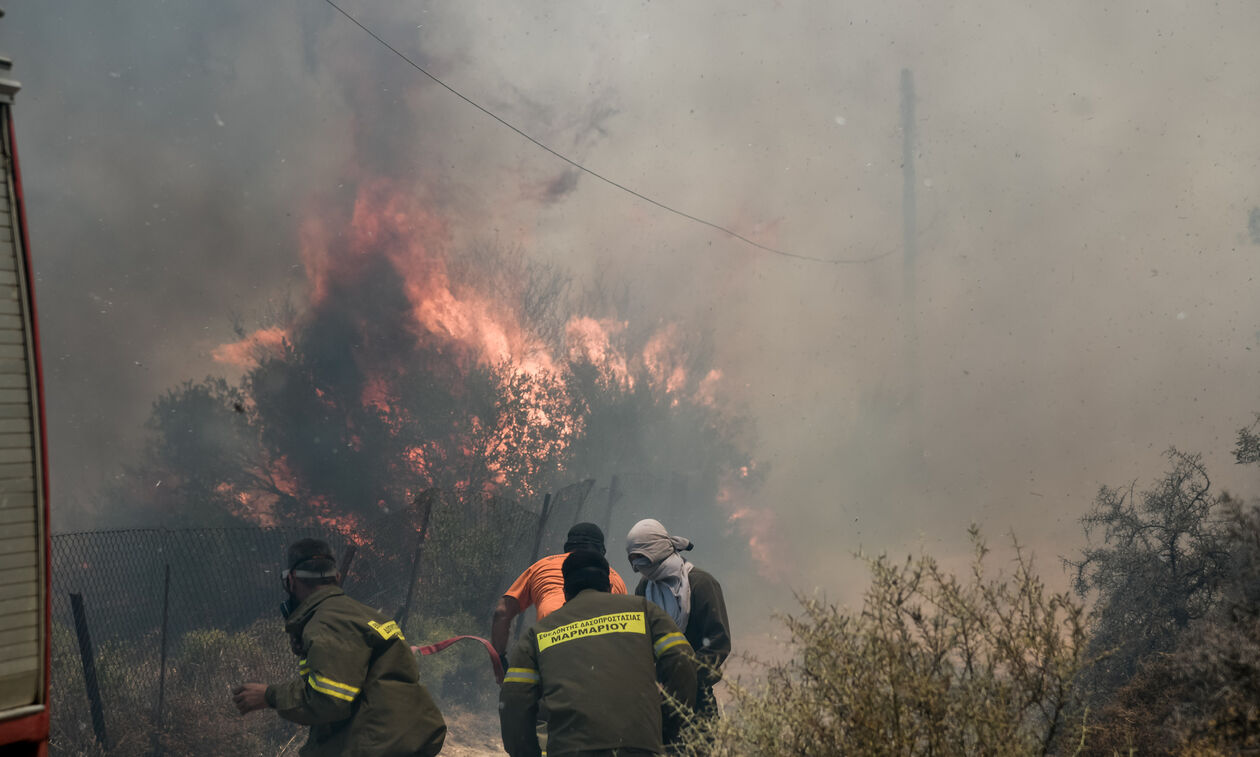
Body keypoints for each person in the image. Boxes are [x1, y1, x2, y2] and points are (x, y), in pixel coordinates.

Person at [232, 538, 447, 757]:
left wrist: (269, 696)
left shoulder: (325, 623)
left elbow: (329, 699)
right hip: (407, 736)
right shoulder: (365, 615)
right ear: (336, 577)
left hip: (376, 745)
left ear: (291, 580)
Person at [500, 550, 698, 757]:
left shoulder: (538, 633)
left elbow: (514, 700)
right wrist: (669, 725)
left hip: (570, 750)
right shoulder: (643, 611)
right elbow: (682, 660)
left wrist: (527, 752)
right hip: (638, 746)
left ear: (565, 590)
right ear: (609, 586)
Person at [626, 519, 730, 720]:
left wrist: (685, 679)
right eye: (633, 560)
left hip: (698, 696)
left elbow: (719, 644)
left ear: (655, 550)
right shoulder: (644, 588)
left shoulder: (701, 584)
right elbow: (643, 641)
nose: (637, 566)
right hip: (659, 698)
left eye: (641, 557)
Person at [491, 522, 628, 664]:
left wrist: (499, 660)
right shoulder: (614, 577)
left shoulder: (541, 566)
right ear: (601, 552)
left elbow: (502, 612)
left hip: (550, 637)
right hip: (597, 649)